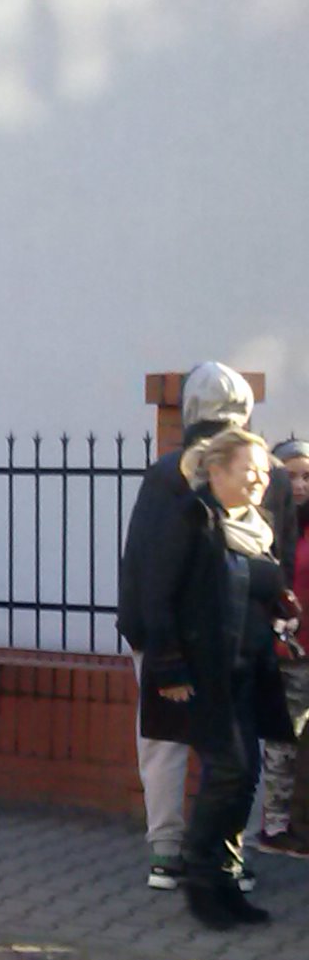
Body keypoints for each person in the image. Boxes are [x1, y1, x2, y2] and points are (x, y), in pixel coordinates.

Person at [119, 362, 300, 891]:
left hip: (168, 633)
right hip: (240, 633)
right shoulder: (269, 472)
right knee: (242, 746)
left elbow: (145, 562)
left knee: (164, 742)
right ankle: (229, 854)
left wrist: (143, 635)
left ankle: (168, 853)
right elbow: (278, 558)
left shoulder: (166, 471)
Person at [142, 428, 293, 928]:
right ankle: (202, 881)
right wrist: (169, 668)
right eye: (249, 469)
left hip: (251, 668)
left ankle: (226, 881)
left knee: (244, 776)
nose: (260, 478)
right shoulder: (192, 520)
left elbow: (254, 585)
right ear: (217, 471)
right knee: (228, 772)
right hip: (206, 673)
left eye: (265, 471)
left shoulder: (257, 525)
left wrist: (280, 603)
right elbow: (158, 596)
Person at [260, 440, 309, 859]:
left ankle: (299, 823)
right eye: (291, 474)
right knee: (283, 741)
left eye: (307, 476)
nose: (299, 484)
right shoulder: (268, 523)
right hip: (287, 650)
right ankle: (273, 825)